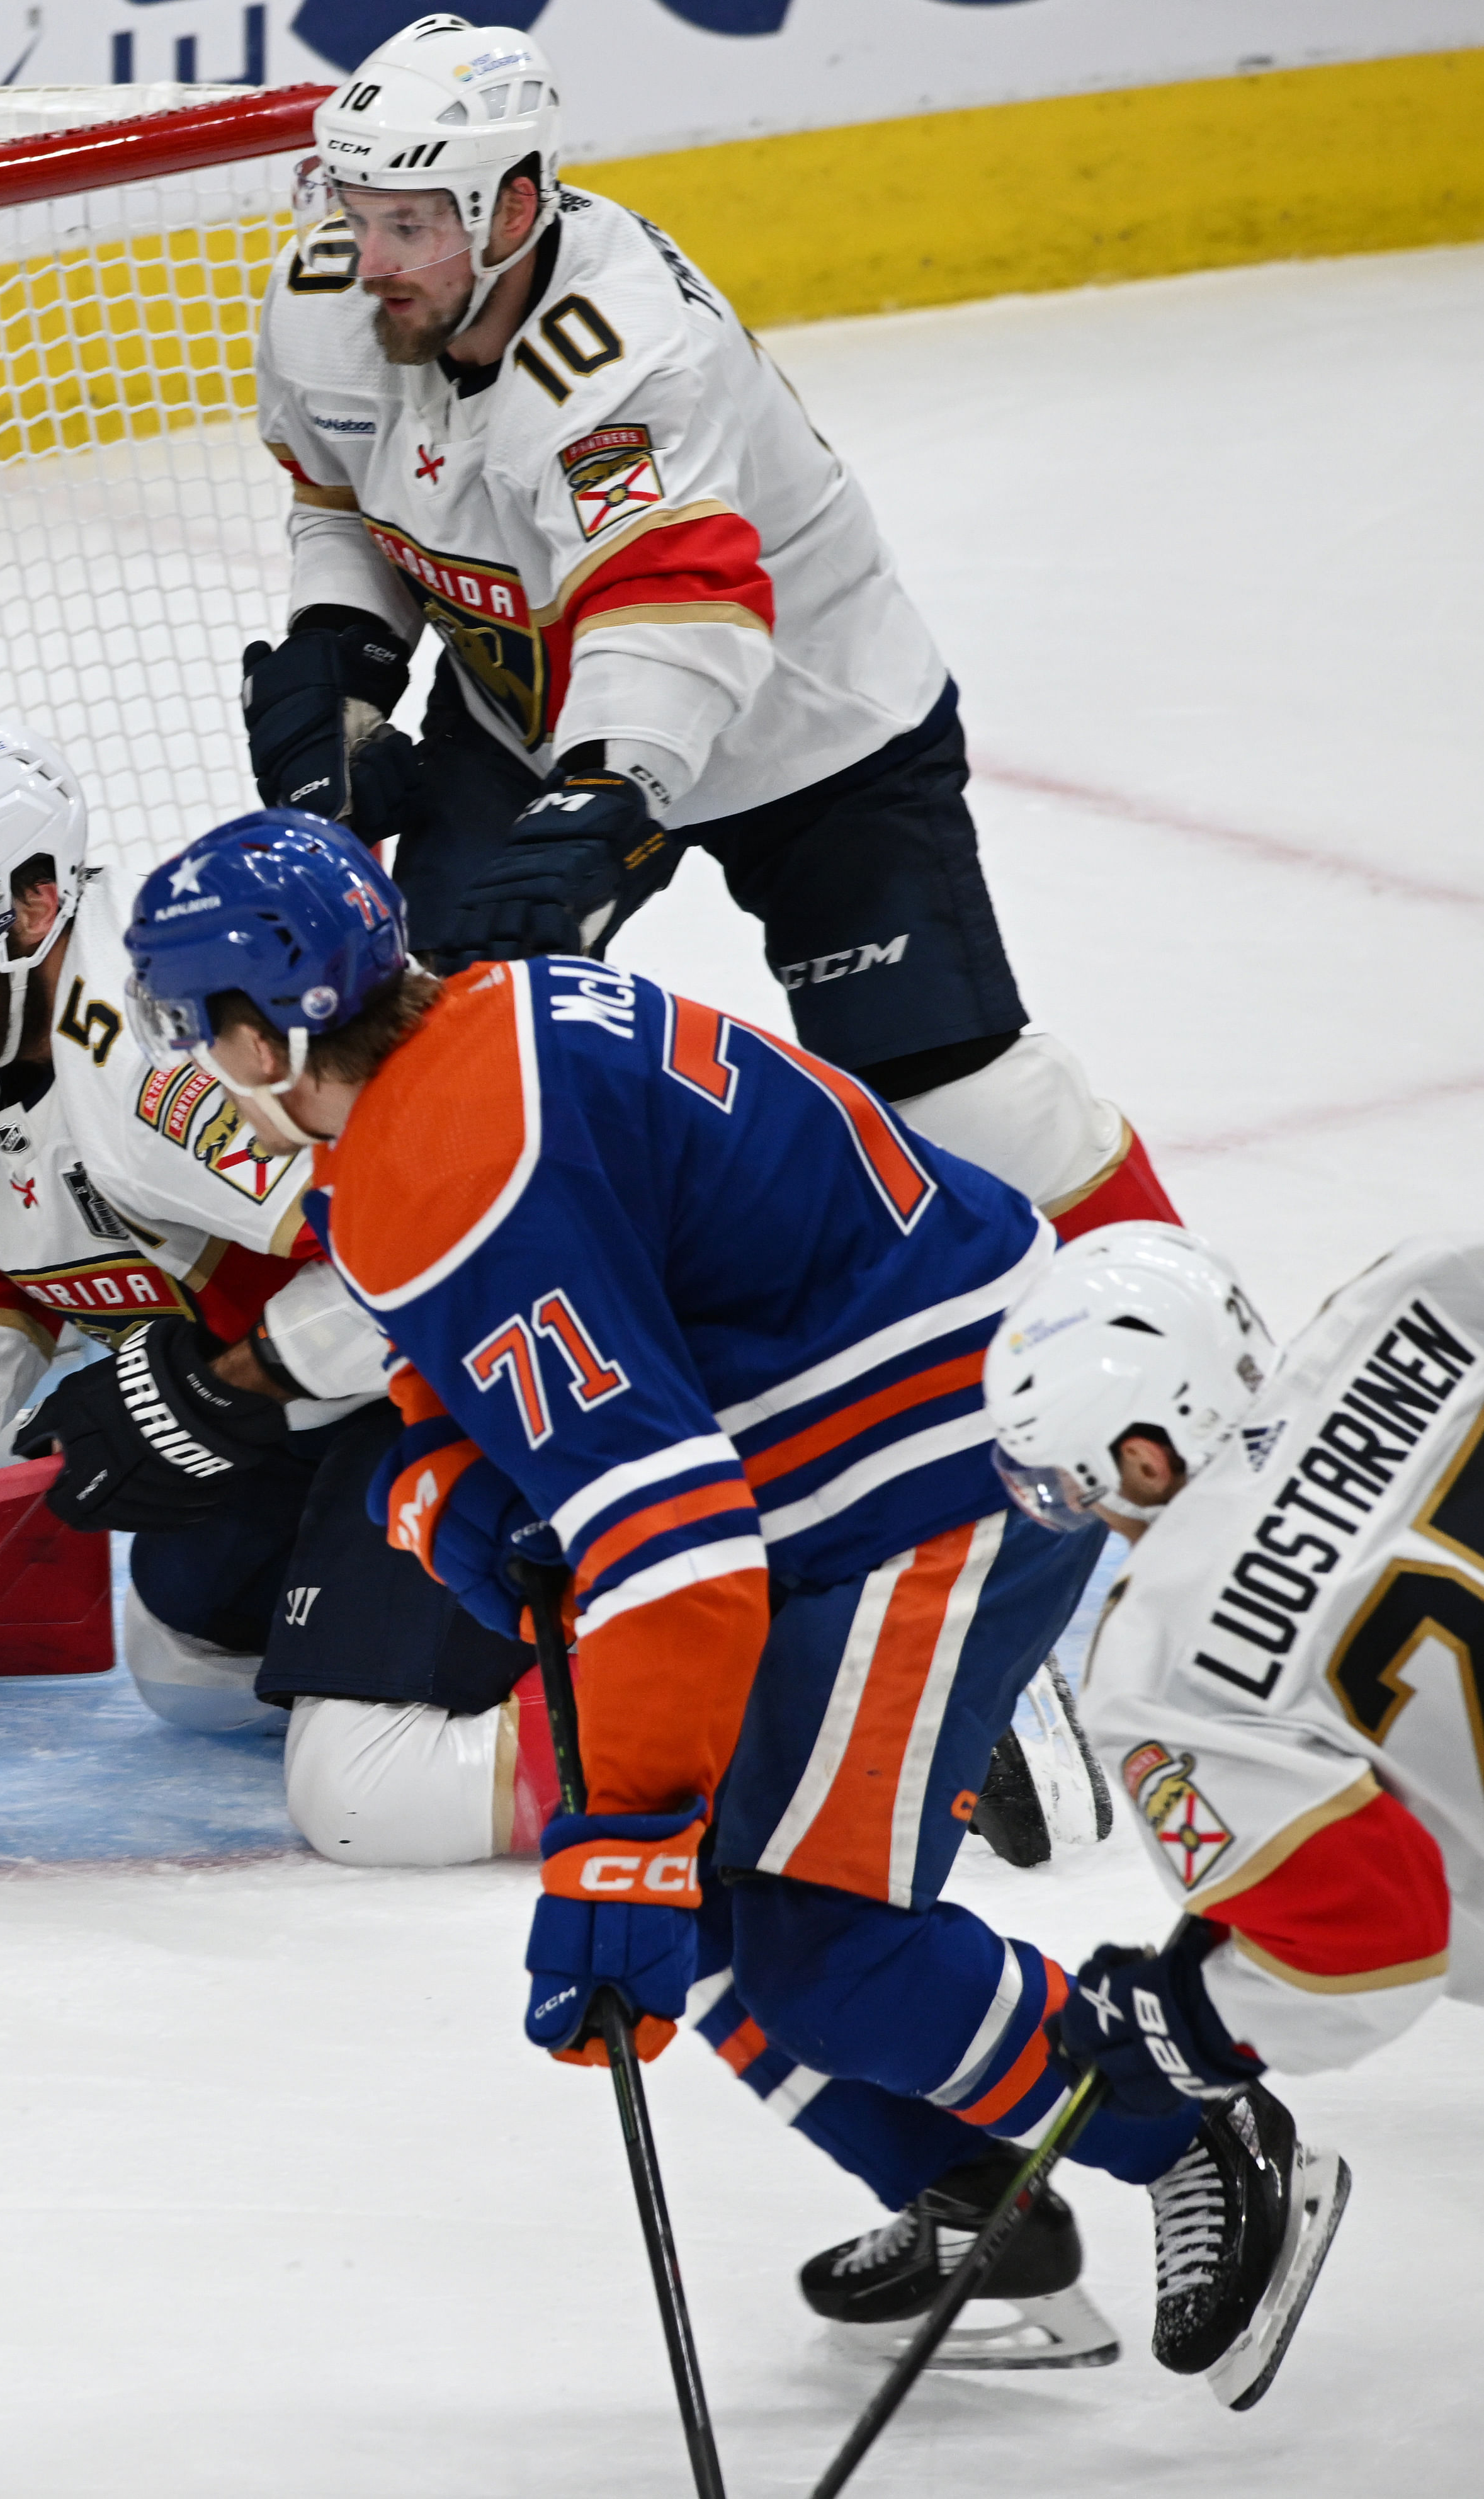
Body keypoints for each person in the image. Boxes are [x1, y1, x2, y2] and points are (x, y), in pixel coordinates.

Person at [116, 809, 1331, 2394]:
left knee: (808, 1945)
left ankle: (1197, 2125)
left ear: (264, 1027)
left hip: (955, 1460)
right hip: (851, 1447)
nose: (188, 1067)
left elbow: (672, 1537)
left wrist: (625, 1826)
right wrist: (459, 1494)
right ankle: (972, 2198)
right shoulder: (455, 1067)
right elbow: (491, 1380)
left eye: (188, 1028)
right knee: (692, 1928)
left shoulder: (451, 1149)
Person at [239, 13, 1176, 1243]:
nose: (368, 260)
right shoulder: (324, 300)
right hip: (524, 716)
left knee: (944, 1086)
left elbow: (671, 604)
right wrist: (341, 659)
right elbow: (339, 509)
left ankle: (1161, 1305)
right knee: (422, 1040)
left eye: (408, 223)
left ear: (514, 209)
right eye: (355, 211)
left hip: (809, 728)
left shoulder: (623, 349)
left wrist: (600, 802)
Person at [0, 726, 546, 1863]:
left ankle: (732, 1715)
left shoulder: (163, 1056)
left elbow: (461, 1254)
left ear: (32, 909)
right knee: (196, 1673)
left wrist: (221, 1388)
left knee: (370, 1799)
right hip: (328, 1402)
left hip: (482, 1388)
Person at [977, 1224, 1475, 2397]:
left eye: (1070, 1483)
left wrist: (1181, 2017)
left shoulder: (1162, 1665)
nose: (1081, 1512)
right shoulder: (1416, 1291)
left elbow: (1375, 1945)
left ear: (1146, 1457)